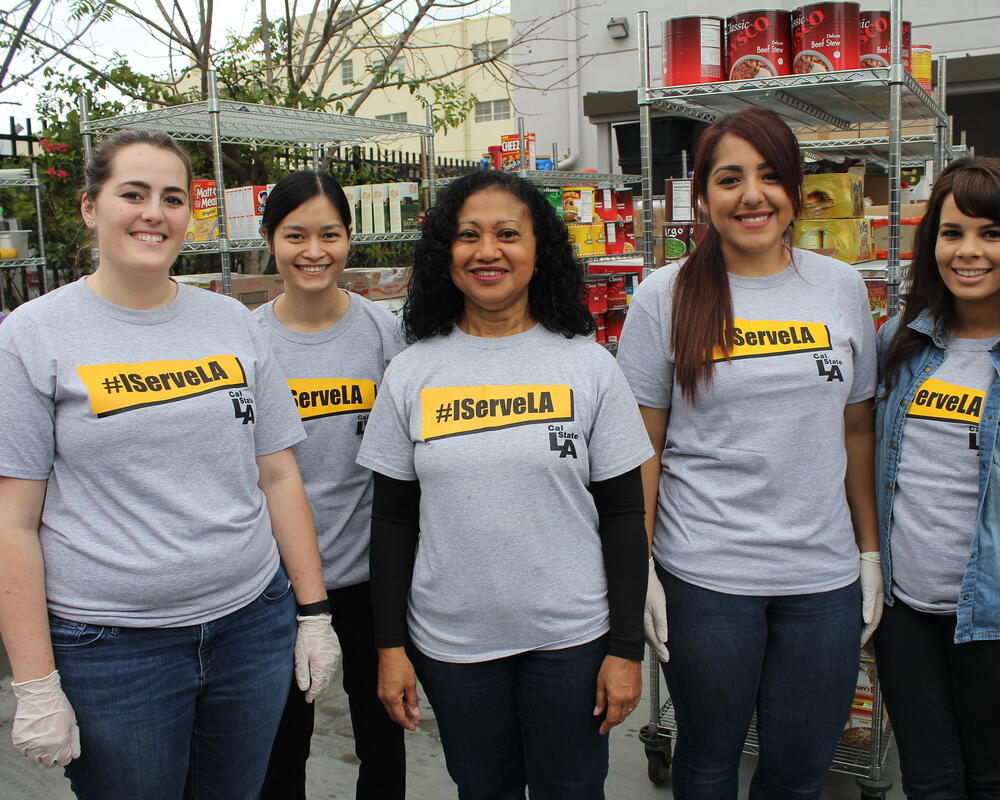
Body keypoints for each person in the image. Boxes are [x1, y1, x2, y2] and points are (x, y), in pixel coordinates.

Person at [0, 130, 339, 799]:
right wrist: (36, 681)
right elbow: (14, 519)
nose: (155, 213)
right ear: (91, 207)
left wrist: (313, 612)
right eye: (133, 194)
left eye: (173, 198)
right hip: (115, 650)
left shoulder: (230, 323)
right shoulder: (33, 336)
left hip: (250, 628)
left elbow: (277, 473)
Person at [356, 169, 653, 799]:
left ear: (539, 249)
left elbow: (625, 513)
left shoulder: (588, 365)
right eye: (468, 235)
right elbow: (391, 522)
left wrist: (628, 647)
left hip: (572, 640)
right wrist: (390, 648)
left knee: (571, 789)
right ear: (446, 253)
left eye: (507, 234)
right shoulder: (412, 372)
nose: (487, 251)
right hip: (453, 643)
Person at [616, 105, 883, 799]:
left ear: (795, 187)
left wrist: (869, 552)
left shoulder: (840, 288)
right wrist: (639, 564)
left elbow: (856, 429)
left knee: (799, 768)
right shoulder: (664, 297)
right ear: (702, 196)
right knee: (708, 760)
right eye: (730, 179)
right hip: (706, 576)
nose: (752, 195)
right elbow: (641, 442)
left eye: (769, 176)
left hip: (821, 579)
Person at [256, 171, 407, 799]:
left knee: (382, 736)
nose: (313, 251)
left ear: (350, 239)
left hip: (370, 576)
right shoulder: (247, 339)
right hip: (275, 581)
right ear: (269, 241)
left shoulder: (380, 332)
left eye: (329, 234)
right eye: (295, 235)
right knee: (280, 746)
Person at [873, 157, 1000, 798]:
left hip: (995, 618)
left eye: (990, 233)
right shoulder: (901, 340)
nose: (968, 251)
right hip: (906, 611)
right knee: (929, 780)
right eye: (952, 233)